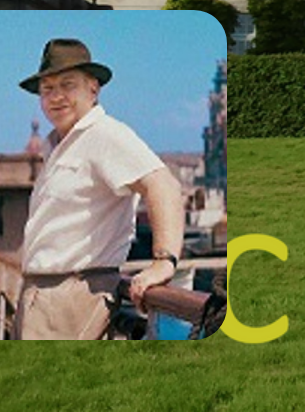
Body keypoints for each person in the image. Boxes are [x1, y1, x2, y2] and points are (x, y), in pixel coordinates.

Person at [13, 38, 184, 339]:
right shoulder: (60, 144)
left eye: (67, 85)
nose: (56, 97)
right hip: (42, 295)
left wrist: (164, 262)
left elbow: (163, 184)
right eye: (47, 89)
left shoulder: (104, 135)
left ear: (93, 89)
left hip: (73, 296)